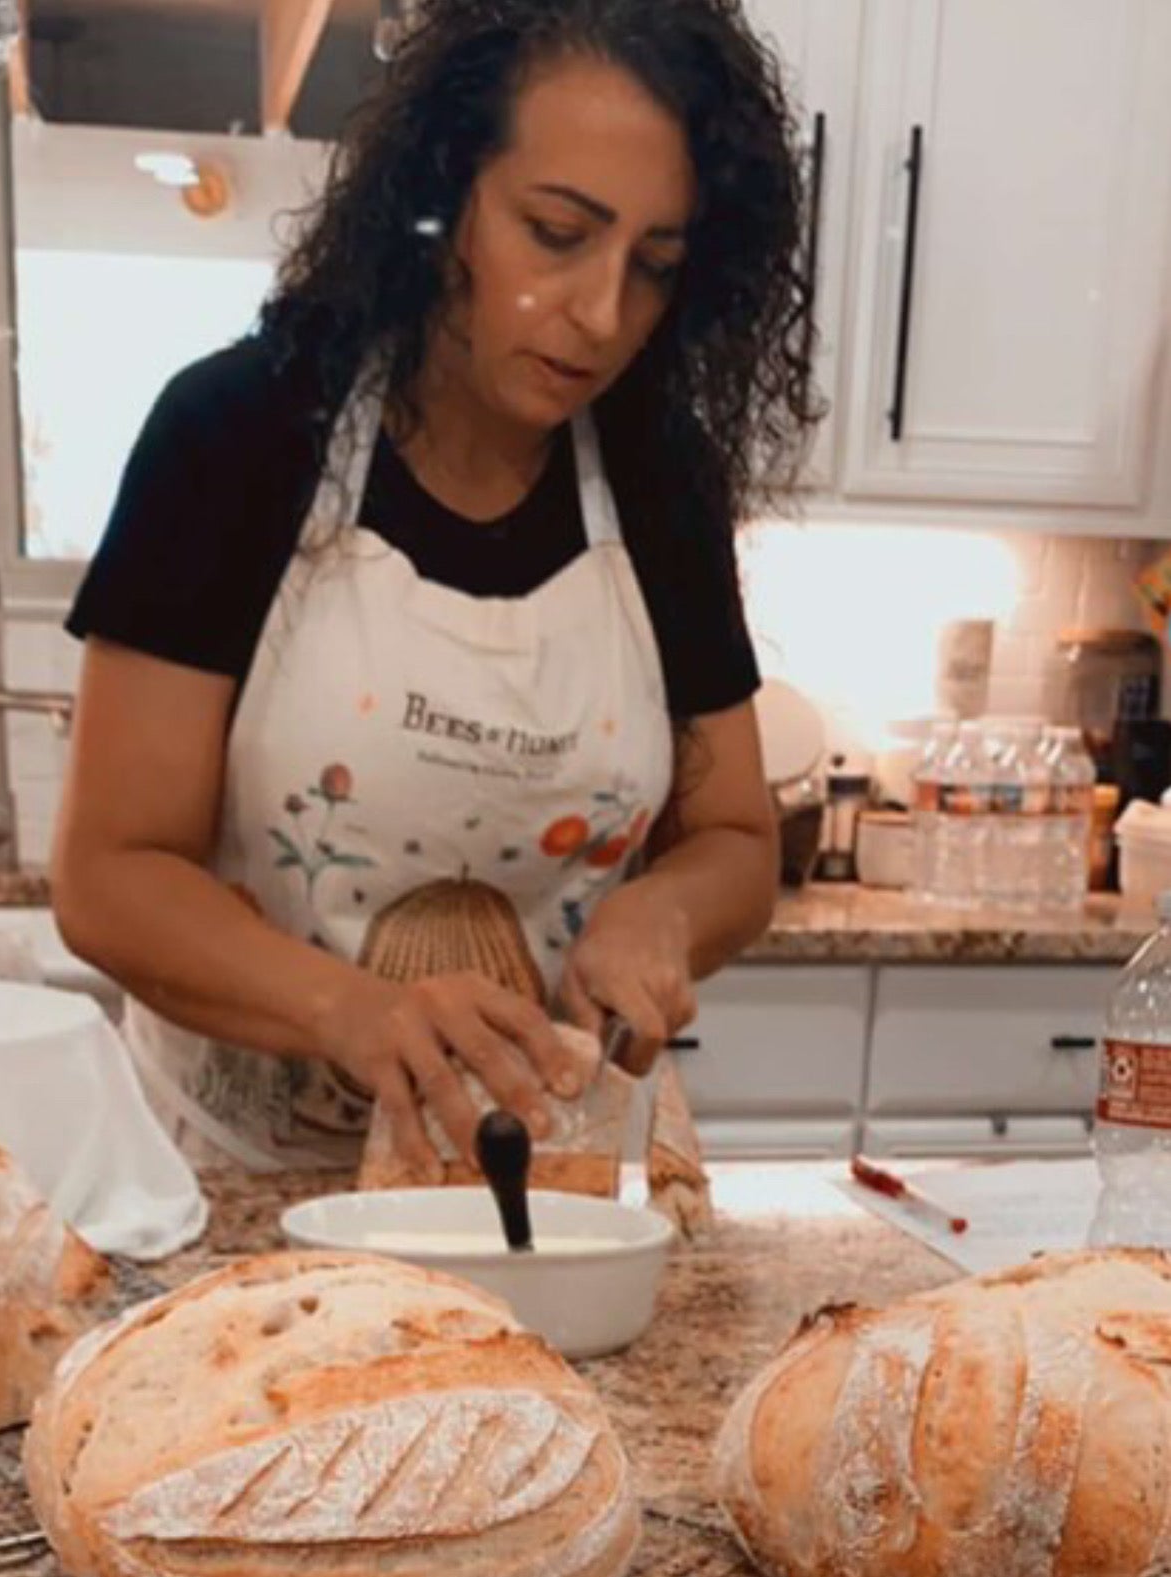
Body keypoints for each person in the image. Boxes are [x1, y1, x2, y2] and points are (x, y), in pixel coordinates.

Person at [54, 0, 819, 1178]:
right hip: (261, 1179)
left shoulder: (661, 483)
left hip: (567, 1173)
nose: (602, 314)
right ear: (445, 193)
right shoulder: (241, 437)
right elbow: (110, 877)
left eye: (655, 267)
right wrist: (351, 1011)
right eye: (556, 231)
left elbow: (732, 840)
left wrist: (661, 914)